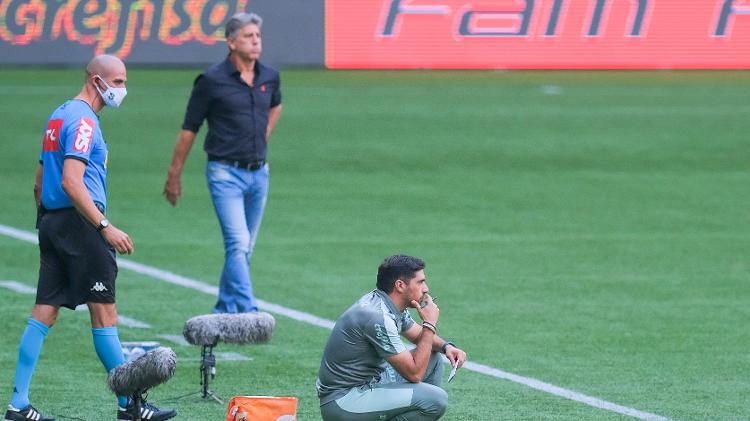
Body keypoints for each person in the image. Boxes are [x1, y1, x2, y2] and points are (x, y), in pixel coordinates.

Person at [4, 55, 176, 421]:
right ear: (96, 80)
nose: (122, 90)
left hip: (52, 223)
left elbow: (40, 179)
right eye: (117, 83)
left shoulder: (58, 115)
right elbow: (71, 180)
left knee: (43, 313)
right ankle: (131, 404)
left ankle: (18, 403)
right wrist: (103, 226)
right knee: (104, 314)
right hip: (82, 226)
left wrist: (48, 226)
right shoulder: (83, 121)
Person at [163, 12, 283, 314]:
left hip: (259, 174)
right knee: (238, 243)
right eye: (248, 36)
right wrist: (174, 174)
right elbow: (189, 130)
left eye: (258, 36)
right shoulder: (210, 81)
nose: (256, 42)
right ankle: (248, 309)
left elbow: (276, 105)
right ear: (231, 42)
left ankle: (223, 308)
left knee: (244, 248)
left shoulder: (269, 76)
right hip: (224, 173)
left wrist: (264, 134)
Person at [317, 255, 468, 421]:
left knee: (434, 357)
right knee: (435, 399)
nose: (426, 289)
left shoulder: (389, 305)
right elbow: (414, 374)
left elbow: (419, 335)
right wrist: (430, 323)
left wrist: (447, 347)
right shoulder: (376, 317)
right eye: (420, 282)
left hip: (373, 382)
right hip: (344, 401)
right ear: (400, 285)